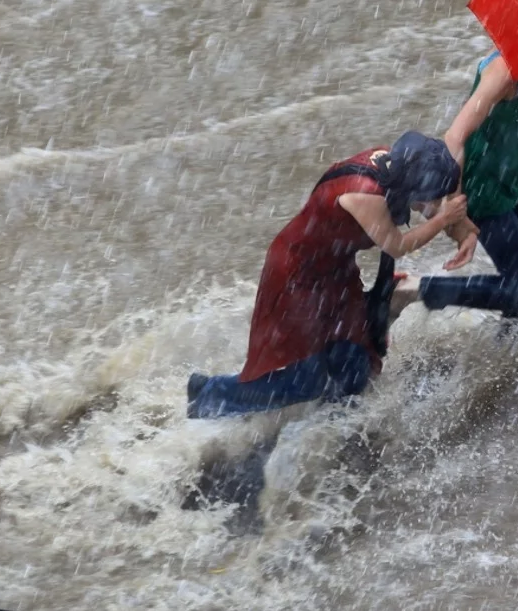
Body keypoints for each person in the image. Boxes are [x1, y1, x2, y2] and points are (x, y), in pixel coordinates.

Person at [187, 131, 470, 418]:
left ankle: (327, 428)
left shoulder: (398, 164)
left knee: (355, 360)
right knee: (306, 380)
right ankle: (210, 394)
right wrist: (445, 220)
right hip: (297, 275)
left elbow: (439, 201)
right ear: (414, 188)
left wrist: (464, 231)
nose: (434, 204)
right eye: (432, 198)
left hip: (334, 268)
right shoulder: (363, 192)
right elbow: (397, 245)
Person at [421, 50, 518, 324]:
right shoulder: (502, 72)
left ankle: (510, 358)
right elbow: (454, 139)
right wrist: (456, 215)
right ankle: (418, 290)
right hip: (486, 189)